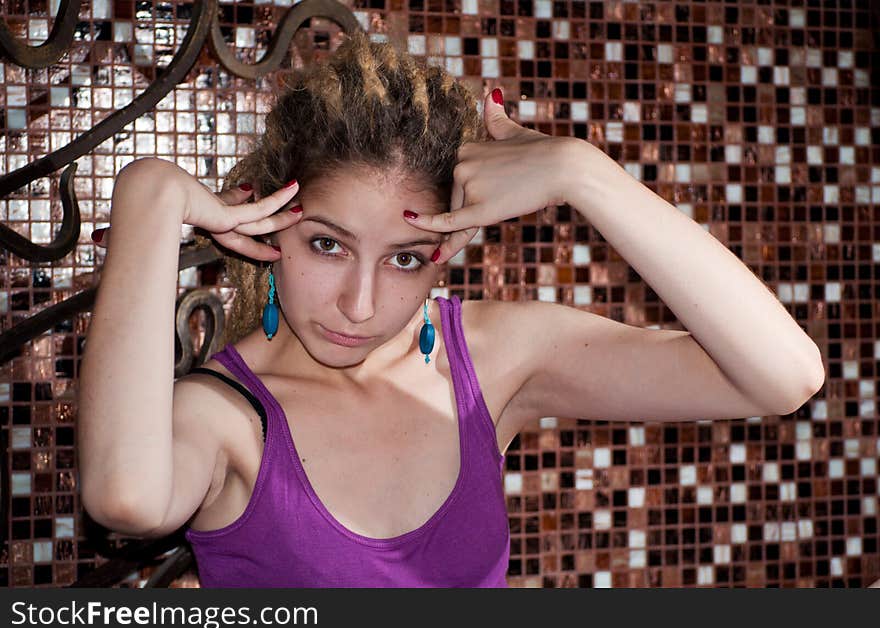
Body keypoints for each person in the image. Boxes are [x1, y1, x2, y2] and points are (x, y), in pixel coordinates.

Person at [76, 31, 825, 588]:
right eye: (328, 246)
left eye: (404, 258)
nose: (359, 305)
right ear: (269, 221)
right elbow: (125, 498)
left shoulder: (492, 360)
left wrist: (585, 175)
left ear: (448, 247)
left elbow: (782, 376)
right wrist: (151, 192)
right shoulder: (225, 416)